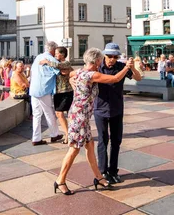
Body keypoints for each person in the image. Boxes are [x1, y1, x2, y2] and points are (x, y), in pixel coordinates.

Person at [54, 48, 133, 195]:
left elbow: (70, 74)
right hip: (79, 117)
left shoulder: (79, 72)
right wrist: (127, 67)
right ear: (96, 61)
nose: (100, 63)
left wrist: (72, 79)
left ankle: (98, 177)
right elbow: (115, 79)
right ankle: (60, 180)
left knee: (90, 146)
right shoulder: (92, 75)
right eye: (100, 60)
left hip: (81, 115)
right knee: (74, 150)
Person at [95, 43, 142, 184]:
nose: (112, 59)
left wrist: (132, 66)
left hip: (116, 109)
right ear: (104, 55)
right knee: (103, 140)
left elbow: (138, 78)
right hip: (100, 109)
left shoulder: (121, 66)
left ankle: (113, 170)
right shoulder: (98, 67)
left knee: (116, 141)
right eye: (109, 56)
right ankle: (102, 171)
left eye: (115, 57)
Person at [29, 41, 63, 146]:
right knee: (49, 113)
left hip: (34, 89)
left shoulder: (38, 57)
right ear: (53, 50)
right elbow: (60, 69)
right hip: (44, 89)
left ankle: (36, 138)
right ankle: (54, 134)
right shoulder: (51, 59)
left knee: (36, 115)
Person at [40, 47, 74, 144]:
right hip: (58, 92)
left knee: (69, 114)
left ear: (62, 55)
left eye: (56, 53)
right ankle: (67, 133)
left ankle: (71, 134)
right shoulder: (56, 63)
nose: (55, 55)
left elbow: (58, 65)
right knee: (59, 113)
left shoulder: (66, 63)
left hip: (67, 92)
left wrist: (46, 61)